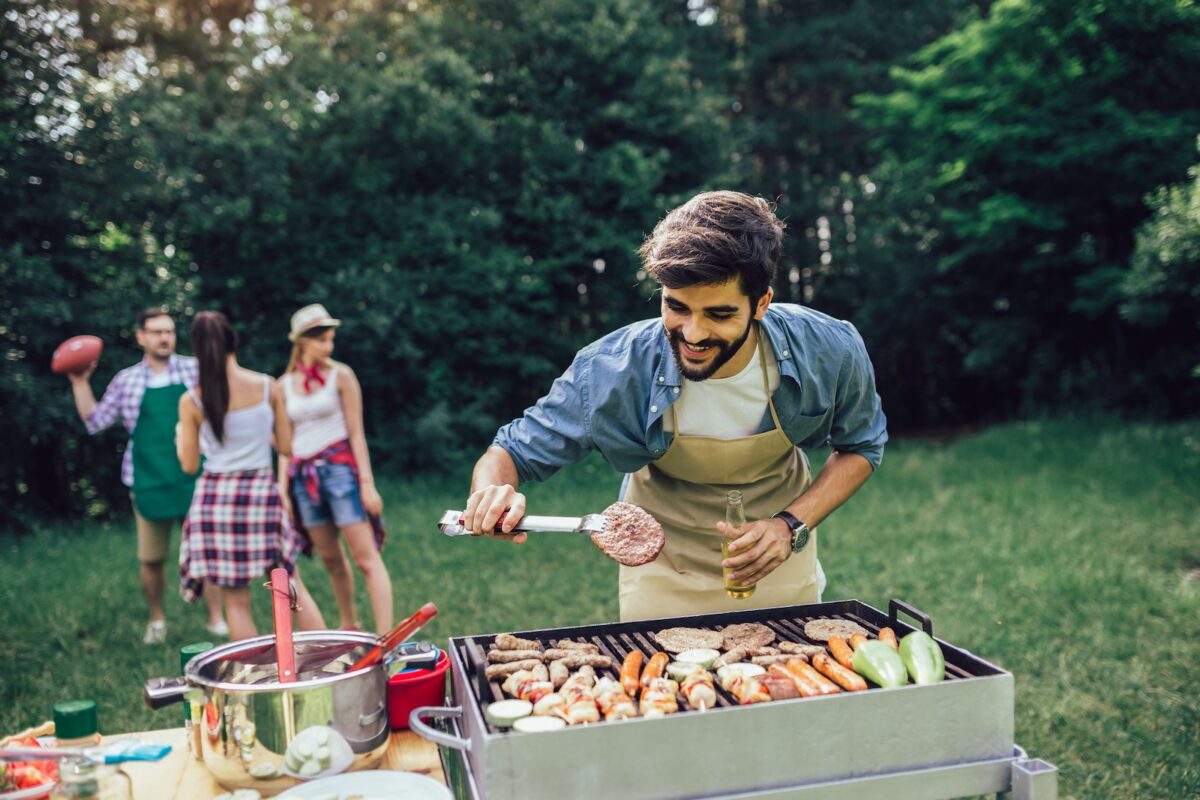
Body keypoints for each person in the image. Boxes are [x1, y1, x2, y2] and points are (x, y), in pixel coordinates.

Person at [463, 191, 888, 621]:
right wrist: (490, 495)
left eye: (719, 315)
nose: (694, 333)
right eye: (676, 307)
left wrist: (789, 526)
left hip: (777, 555)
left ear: (761, 303)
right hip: (660, 569)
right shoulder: (611, 369)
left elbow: (861, 446)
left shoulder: (829, 348)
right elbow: (511, 452)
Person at [67, 308, 226, 644]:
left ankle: (217, 618)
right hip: (148, 480)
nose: (164, 337)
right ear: (141, 337)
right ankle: (157, 620)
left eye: (168, 331)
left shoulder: (194, 369)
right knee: (152, 557)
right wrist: (79, 382)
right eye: (156, 332)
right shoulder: (127, 380)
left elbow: (222, 407)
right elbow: (95, 421)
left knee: (207, 551)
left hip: (196, 477)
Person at [176, 311, 325, 640]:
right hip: (259, 492)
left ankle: (254, 680)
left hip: (215, 499)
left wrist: (180, 439)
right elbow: (286, 447)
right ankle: (325, 662)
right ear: (234, 341)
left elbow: (188, 465)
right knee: (292, 587)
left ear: (197, 349)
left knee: (237, 603)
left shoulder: (191, 401)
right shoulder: (266, 386)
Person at [278, 304, 392, 633]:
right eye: (321, 340)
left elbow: (357, 433)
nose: (328, 346)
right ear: (301, 342)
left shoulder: (341, 375)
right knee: (330, 558)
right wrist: (282, 488)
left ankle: (386, 635)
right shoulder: (282, 385)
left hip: (340, 471)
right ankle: (349, 625)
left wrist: (367, 482)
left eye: (330, 339)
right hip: (303, 477)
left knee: (365, 557)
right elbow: (285, 446)